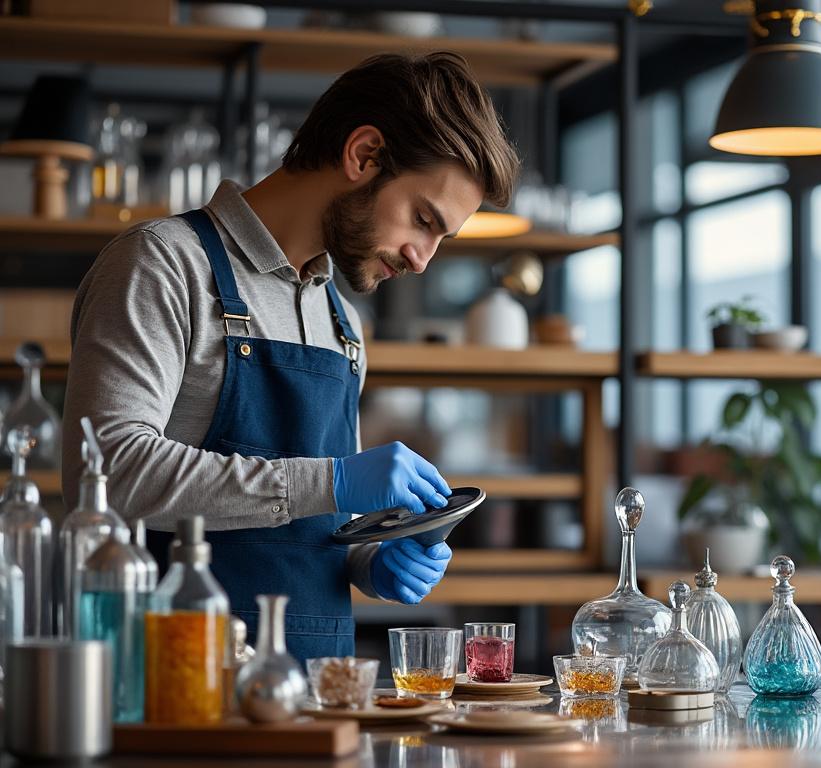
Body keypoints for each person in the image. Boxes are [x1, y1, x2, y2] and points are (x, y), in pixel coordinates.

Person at [61, 52, 520, 661]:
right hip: (175, 688)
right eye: (422, 219)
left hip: (317, 700)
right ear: (363, 154)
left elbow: (309, 521)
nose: (422, 259)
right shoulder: (164, 265)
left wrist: (371, 557)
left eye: (441, 238)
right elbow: (108, 474)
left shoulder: (343, 323)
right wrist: (331, 480)